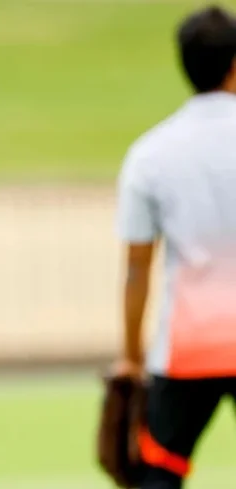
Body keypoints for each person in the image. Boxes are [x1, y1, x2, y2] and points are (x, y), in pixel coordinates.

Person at [110, 5, 236, 488]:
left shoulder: (151, 153)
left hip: (189, 346)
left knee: (160, 472)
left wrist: (131, 357)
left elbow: (137, 267)